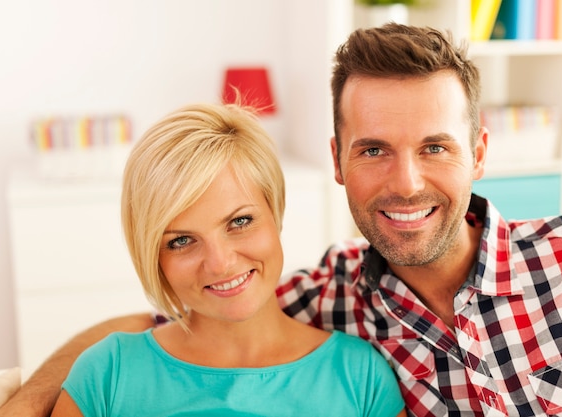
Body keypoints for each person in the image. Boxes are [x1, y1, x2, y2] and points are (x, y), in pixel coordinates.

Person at [0, 22, 562, 417]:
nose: (406, 183)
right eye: (374, 149)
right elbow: (165, 324)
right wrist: (28, 402)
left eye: (434, 147)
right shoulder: (330, 302)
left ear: (479, 153)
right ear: (337, 161)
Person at [46, 103, 406, 417]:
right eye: (182, 241)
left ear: (276, 211)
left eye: (239, 222)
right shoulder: (107, 374)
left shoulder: (361, 379)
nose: (219, 263)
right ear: (153, 256)